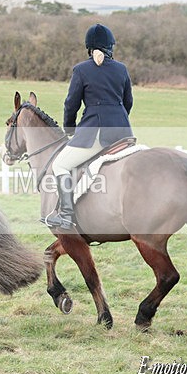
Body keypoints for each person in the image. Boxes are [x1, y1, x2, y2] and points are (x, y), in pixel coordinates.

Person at [43, 23, 133, 230]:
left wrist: (70, 129)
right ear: (110, 46)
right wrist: (118, 121)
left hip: (96, 133)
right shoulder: (121, 69)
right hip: (123, 132)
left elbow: (71, 104)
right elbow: (128, 101)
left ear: (89, 48)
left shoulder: (81, 70)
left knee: (60, 166)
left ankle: (66, 215)